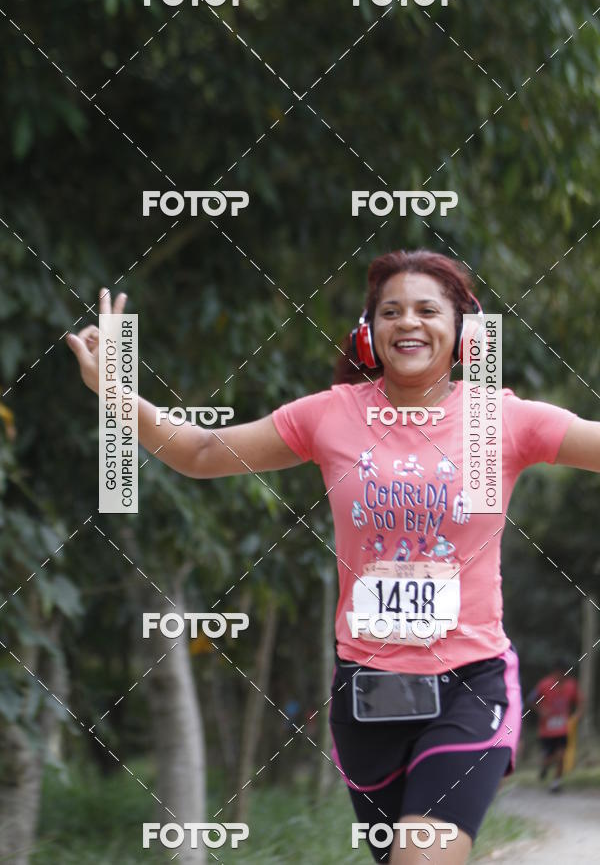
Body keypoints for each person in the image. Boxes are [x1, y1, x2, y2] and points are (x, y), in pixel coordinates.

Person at [66, 249, 599, 864]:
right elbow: (202, 452)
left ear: (463, 332)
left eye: (429, 310)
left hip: (470, 686)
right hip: (366, 695)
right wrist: (116, 393)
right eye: (391, 311)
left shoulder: (496, 420)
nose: (409, 322)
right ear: (370, 331)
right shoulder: (332, 415)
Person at [527, 659, 584, 792]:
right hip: (546, 730)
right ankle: (545, 766)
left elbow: (580, 701)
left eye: (565, 673)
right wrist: (541, 710)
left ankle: (556, 783)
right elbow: (531, 699)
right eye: (560, 673)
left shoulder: (571, 685)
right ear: (555, 672)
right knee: (549, 757)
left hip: (562, 728)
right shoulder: (544, 684)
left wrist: (577, 715)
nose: (562, 676)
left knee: (561, 755)